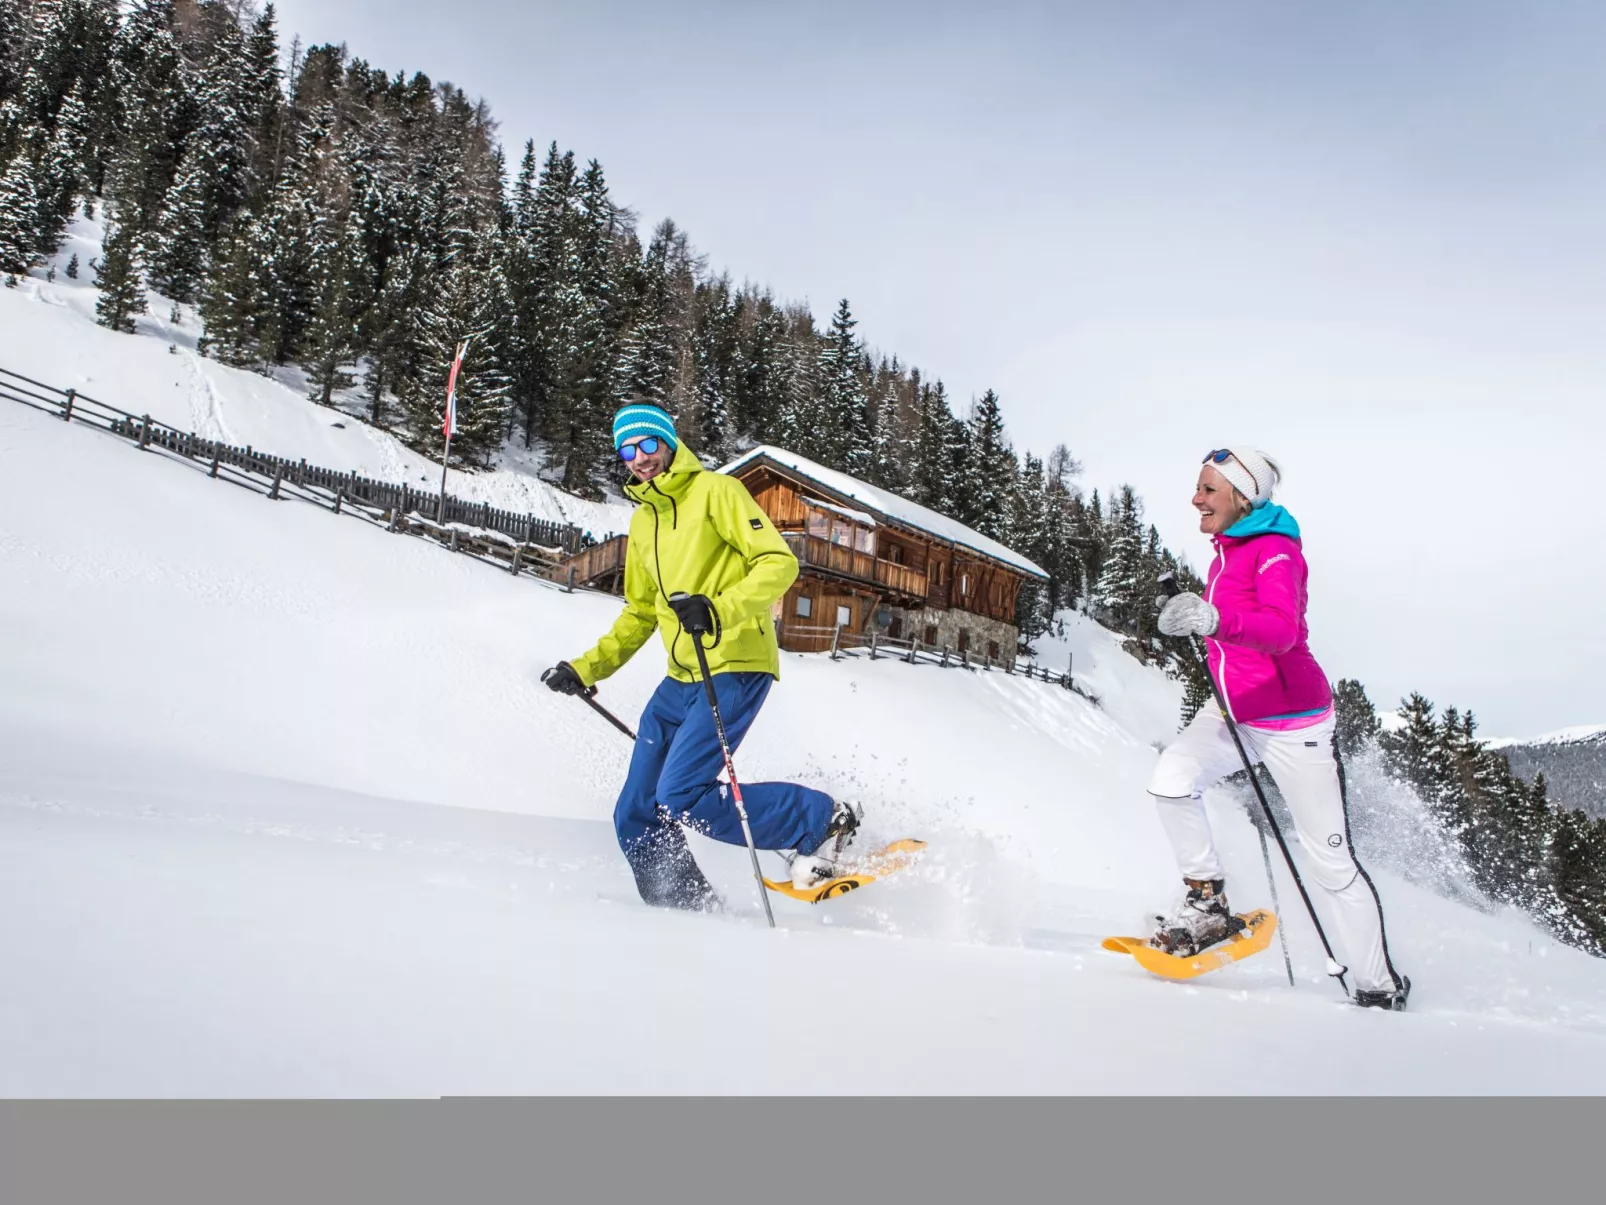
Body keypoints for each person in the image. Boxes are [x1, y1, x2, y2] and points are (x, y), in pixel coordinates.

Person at [541, 403, 860, 909]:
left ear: (668, 440)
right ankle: (686, 911)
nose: (639, 458)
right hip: (681, 677)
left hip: (734, 663)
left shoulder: (718, 493)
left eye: (648, 444)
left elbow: (779, 563)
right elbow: (641, 613)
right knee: (636, 811)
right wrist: (585, 668)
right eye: (627, 450)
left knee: (682, 795)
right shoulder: (643, 521)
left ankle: (819, 818)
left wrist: (718, 608)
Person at [1149, 447, 1410, 1010]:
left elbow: (1280, 630)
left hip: (1295, 724)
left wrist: (1216, 619)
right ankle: (1207, 901)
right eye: (1198, 488)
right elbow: (1230, 632)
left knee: (1330, 864)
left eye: (1209, 489)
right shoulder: (1227, 552)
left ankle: (1378, 987)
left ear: (1243, 498)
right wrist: (1192, 617)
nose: (1196, 498)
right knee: (1172, 777)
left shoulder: (1275, 552)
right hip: (1234, 713)